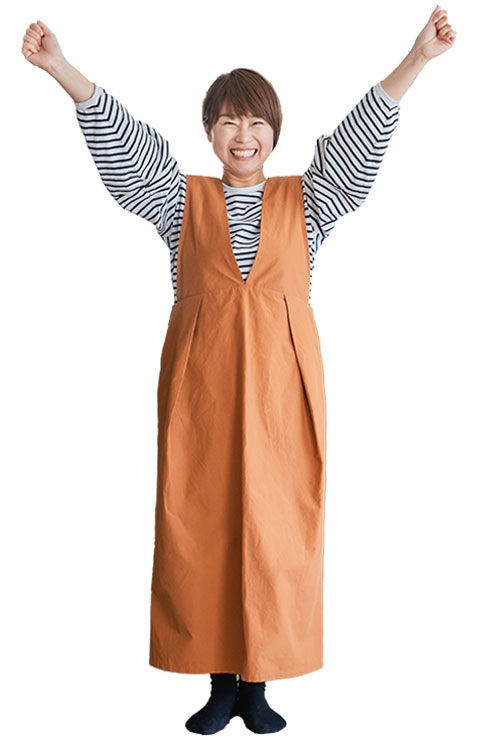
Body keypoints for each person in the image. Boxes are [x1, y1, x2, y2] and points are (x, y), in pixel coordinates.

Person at [21, 7, 456, 735]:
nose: (243, 135)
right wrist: (63, 70)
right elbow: (130, 152)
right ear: (210, 132)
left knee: (277, 530)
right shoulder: (179, 202)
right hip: (203, 395)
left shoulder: (309, 202)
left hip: (285, 398)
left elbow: (357, 145)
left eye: (256, 122)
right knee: (203, 525)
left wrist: (416, 58)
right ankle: (220, 683)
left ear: (274, 133)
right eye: (228, 121)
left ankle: (259, 683)